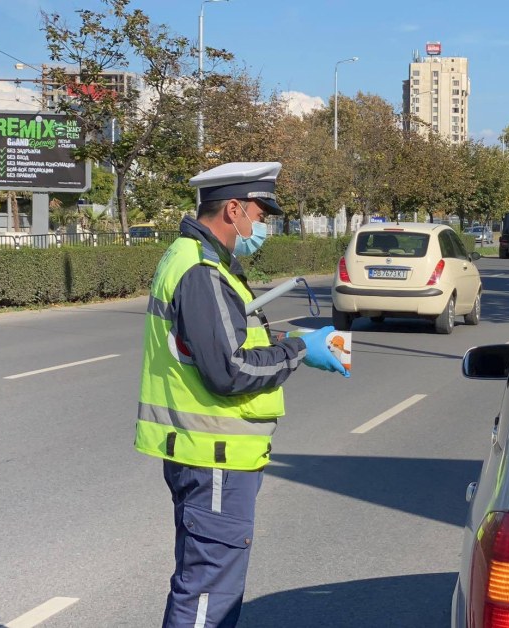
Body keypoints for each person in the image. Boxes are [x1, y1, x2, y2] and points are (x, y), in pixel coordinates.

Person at [134, 161, 348, 628]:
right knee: (209, 592)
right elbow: (229, 371)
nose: (264, 225)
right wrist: (298, 350)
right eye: (261, 213)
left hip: (207, 451)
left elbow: (217, 349)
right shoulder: (202, 271)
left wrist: (281, 347)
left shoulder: (193, 258)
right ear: (234, 210)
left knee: (205, 581)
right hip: (214, 454)